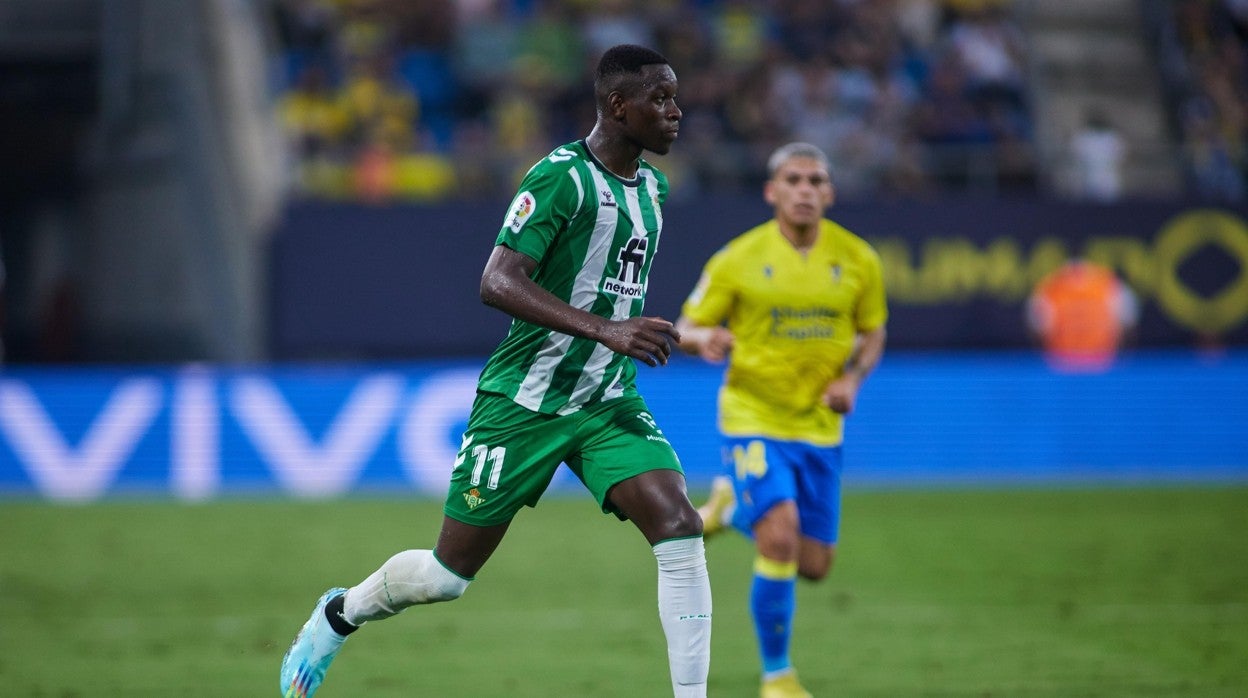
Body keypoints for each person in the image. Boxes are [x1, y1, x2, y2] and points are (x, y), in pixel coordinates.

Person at [279, 44, 712, 698]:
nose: (675, 112)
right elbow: (496, 281)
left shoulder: (653, 186)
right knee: (448, 576)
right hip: (525, 402)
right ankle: (339, 615)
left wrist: (629, 334)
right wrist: (608, 330)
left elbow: (607, 286)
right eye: (660, 98)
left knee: (680, 525)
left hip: (602, 400)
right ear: (617, 106)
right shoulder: (558, 177)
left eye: (676, 97)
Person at [676, 142, 887, 698]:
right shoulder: (737, 258)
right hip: (752, 416)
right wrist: (706, 339)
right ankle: (778, 676)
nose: (804, 190)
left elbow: (872, 332)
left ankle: (729, 506)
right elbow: (684, 327)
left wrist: (852, 380)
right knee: (782, 536)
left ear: (829, 193)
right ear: (772, 191)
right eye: (793, 180)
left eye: (816, 181)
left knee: (814, 565)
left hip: (818, 426)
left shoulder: (858, 258)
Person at [1027, 258, 1138, 372]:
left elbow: (1127, 324)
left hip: (1101, 364)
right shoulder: (1050, 290)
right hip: (1062, 364)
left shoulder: (1110, 287)